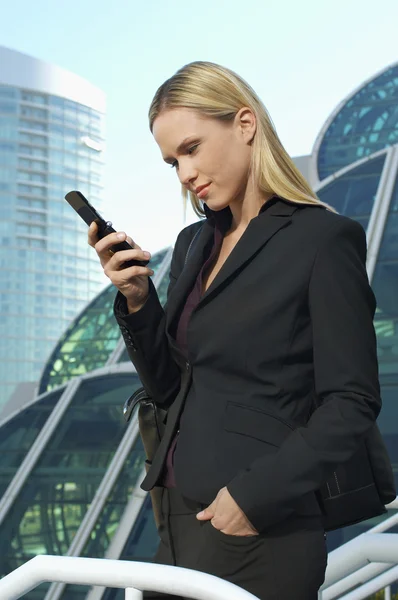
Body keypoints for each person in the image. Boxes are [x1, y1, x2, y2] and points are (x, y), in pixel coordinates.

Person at [88, 61, 381, 600]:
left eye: (192, 149)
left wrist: (254, 498)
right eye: (172, 161)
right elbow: (171, 388)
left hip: (260, 528)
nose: (184, 173)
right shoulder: (193, 245)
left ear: (245, 124)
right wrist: (137, 300)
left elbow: (352, 401)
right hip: (176, 519)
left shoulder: (323, 239)